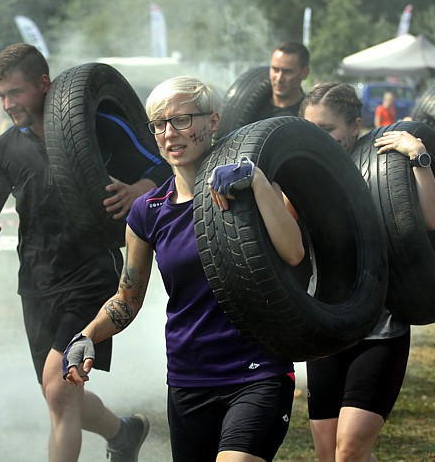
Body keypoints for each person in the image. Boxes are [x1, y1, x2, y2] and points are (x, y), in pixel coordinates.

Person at [64, 76, 305, 461]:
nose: (168, 133)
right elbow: (127, 297)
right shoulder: (147, 211)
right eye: (158, 124)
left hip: (258, 370)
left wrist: (258, 181)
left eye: (180, 120)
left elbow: (294, 253)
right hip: (189, 376)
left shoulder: (249, 187)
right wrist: (88, 336)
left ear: (212, 122)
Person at [0, 43, 169, 462]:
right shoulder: (7, 147)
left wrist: (136, 192)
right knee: (59, 393)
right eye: (1, 95)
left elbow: (163, 166)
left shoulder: (100, 125)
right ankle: (124, 433)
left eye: (15, 93)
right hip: (36, 283)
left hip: (95, 276)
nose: (7, 104)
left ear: (44, 85)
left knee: (58, 387)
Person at [300, 83, 435, 461]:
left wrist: (419, 157)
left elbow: (430, 218)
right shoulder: (301, 173)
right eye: (310, 128)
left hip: (381, 326)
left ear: (355, 126)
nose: (318, 138)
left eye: (327, 129)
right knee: (329, 455)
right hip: (326, 325)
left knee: (350, 449)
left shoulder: (384, 164)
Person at [265, 41, 310, 118]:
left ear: (304, 73)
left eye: (287, 72)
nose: (279, 78)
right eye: (275, 69)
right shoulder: (253, 107)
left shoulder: (309, 114)